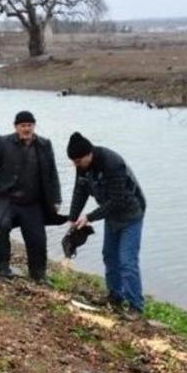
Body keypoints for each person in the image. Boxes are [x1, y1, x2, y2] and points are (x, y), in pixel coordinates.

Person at [66, 132, 146, 318]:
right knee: (109, 255)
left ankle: (135, 306)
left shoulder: (112, 163)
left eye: (78, 161)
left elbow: (118, 200)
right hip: (111, 215)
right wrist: (73, 217)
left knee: (127, 260)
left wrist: (90, 217)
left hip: (131, 214)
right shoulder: (82, 166)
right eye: (74, 162)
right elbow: (80, 190)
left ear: (89, 154)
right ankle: (115, 296)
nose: (76, 165)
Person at [0, 111, 65, 284]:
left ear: (34, 126)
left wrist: (56, 199)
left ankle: (38, 273)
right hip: (7, 198)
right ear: (16, 127)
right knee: (2, 227)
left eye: (29, 125)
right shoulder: (3, 142)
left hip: (32, 201)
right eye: (23, 126)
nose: (26, 129)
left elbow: (52, 173)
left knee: (37, 238)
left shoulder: (44, 144)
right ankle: (2, 265)